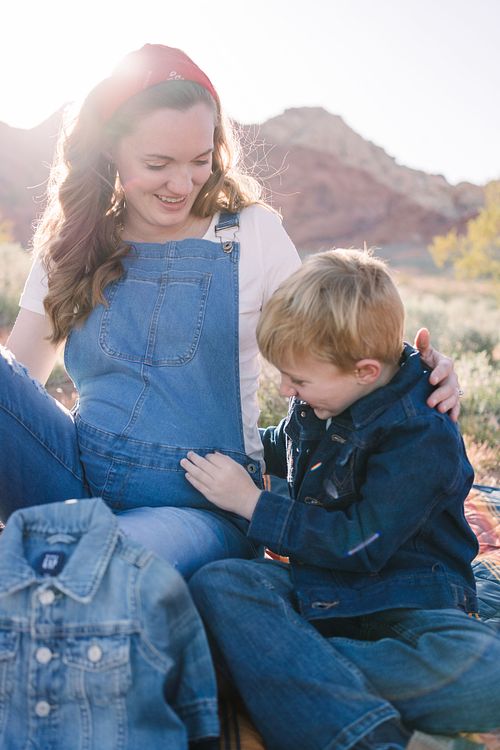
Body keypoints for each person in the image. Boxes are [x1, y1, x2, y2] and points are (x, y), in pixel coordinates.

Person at [1, 44, 459, 579]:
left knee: (91, 562)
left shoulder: (251, 233)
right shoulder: (74, 241)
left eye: (200, 161)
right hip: (73, 473)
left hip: (201, 513)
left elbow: (332, 335)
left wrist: (413, 373)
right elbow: (18, 386)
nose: (181, 185)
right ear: (109, 150)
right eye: (157, 164)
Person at [185, 249, 500, 749]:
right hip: (321, 589)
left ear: (365, 371)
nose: (286, 389)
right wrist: (232, 450)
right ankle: (288, 667)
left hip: (407, 601)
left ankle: (284, 670)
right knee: (222, 582)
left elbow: (361, 543)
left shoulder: (422, 436)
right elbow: (284, 444)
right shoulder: (327, 398)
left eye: (299, 381)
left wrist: (252, 503)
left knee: (488, 677)